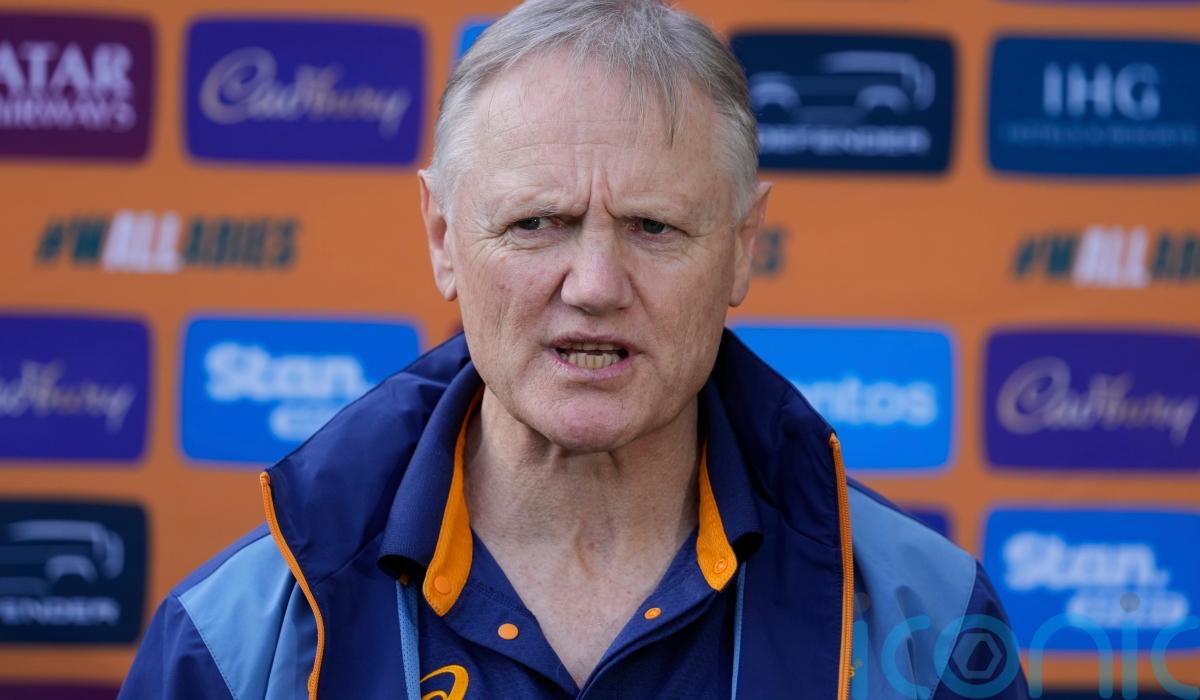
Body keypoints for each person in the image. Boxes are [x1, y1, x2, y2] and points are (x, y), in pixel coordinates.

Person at [120, 1, 1030, 698]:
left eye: (653, 227)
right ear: (442, 237)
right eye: (537, 223)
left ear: (742, 247)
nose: (594, 284)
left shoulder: (932, 625)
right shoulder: (234, 644)